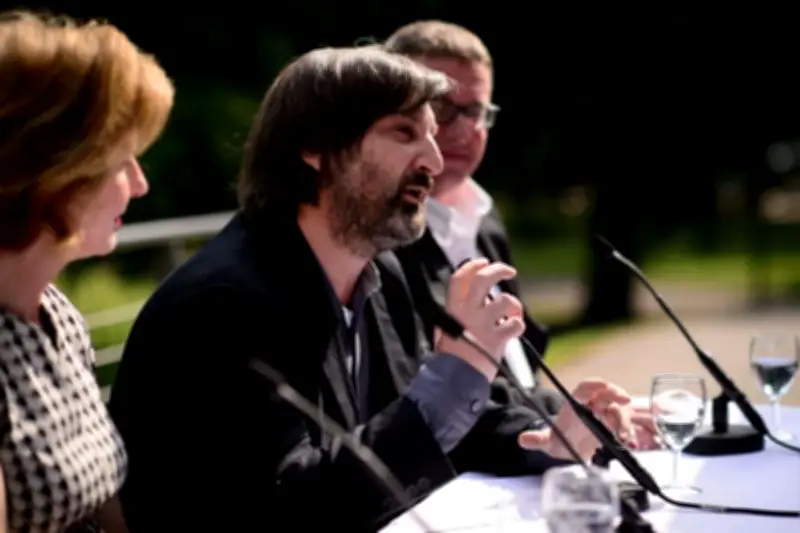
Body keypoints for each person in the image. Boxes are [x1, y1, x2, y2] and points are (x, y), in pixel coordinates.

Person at [108, 45, 641, 532]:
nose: (433, 161)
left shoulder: (381, 273)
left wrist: (547, 438)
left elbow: (429, 426)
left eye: (430, 136)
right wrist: (458, 372)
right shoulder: (225, 305)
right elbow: (294, 504)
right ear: (315, 146)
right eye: (405, 134)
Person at [0, 10, 174, 533]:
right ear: (56, 172)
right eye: (123, 161)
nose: (140, 184)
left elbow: (103, 502)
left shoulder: (60, 316)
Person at [383, 21, 566, 414]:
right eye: (441, 107)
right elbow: (417, 391)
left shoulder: (485, 216)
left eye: (476, 111)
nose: (463, 128)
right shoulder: (380, 236)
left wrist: (579, 415)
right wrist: (558, 420)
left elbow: (518, 371)